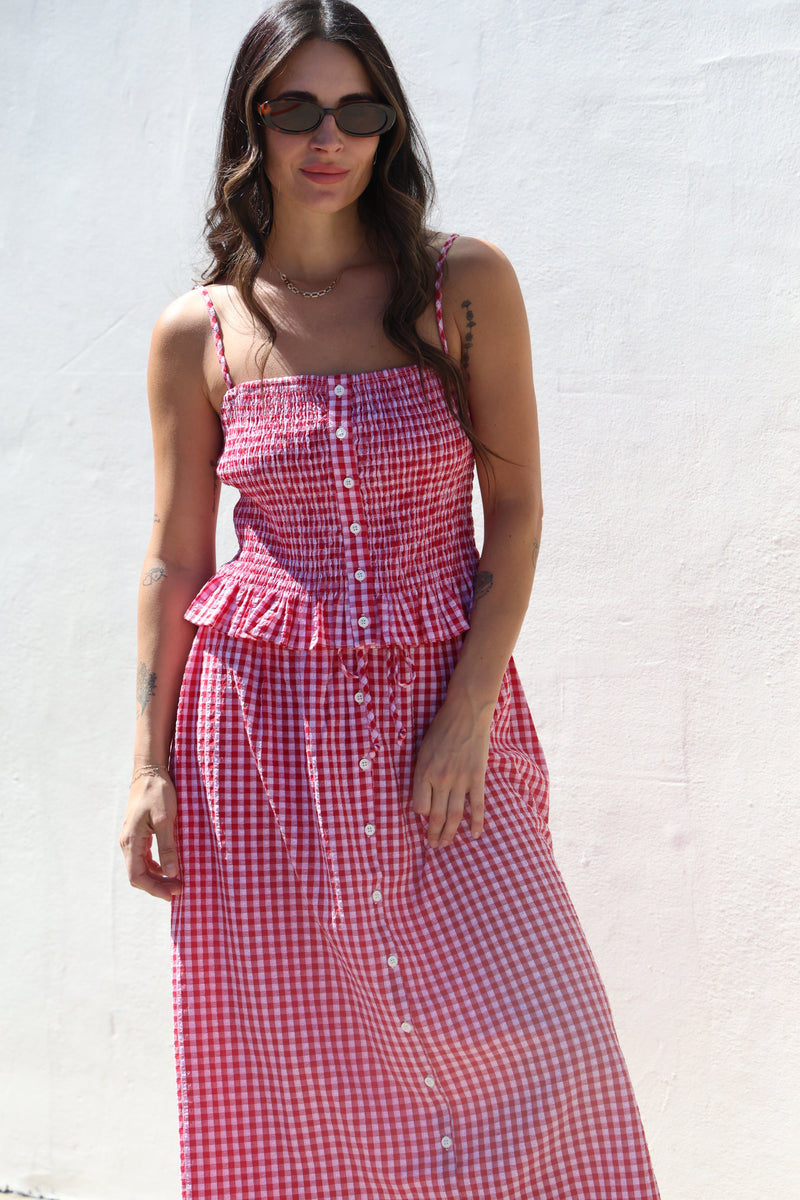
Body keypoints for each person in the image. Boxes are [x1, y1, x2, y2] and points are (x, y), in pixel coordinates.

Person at [120, 2, 661, 1196]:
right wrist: (149, 762)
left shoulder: (459, 284)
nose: (329, 136)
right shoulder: (197, 333)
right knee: (290, 1071)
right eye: (295, 108)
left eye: (357, 110)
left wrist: (465, 712)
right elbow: (175, 559)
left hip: (438, 714)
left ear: (388, 128)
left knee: (548, 1038)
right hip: (256, 736)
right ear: (250, 124)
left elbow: (512, 515)